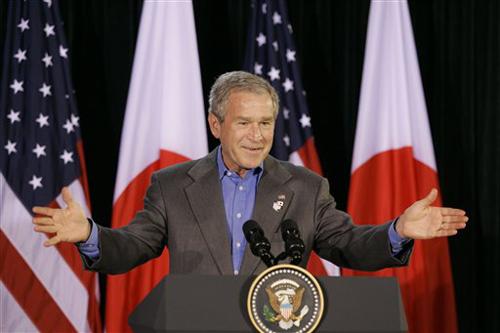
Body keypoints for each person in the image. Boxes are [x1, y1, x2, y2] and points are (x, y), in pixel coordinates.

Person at [32, 71, 468, 276]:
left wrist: (397, 231)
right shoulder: (171, 185)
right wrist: (89, 234)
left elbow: (350, 246)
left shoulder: (305, 186)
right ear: (216, 124)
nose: (257, 136)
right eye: (244, 123)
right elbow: (131, 247)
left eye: (265, 123)